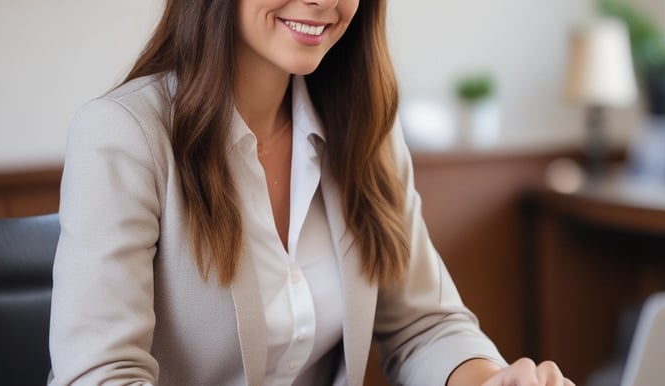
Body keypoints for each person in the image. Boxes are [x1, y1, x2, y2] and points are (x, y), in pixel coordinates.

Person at [48, 0, 574, 385]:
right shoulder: (123, 136)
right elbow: (101, 375)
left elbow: (424, 325)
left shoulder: (366, 128)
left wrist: (493, 380)